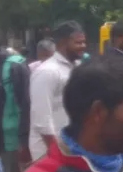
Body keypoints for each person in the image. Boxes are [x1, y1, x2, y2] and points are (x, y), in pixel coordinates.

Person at [29, 21, 87, 162]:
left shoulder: (77, 68)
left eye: (84, 42)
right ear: (62, 43)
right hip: (49, 150)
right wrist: (57, 153)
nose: (83, 46)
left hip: (71, 147)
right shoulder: (47, 71)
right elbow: (42, 119)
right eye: (78, 43)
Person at [0, 42, 30, 172]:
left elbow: (25, 103)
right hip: (7, 135)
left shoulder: (14, 66)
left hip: (11, 136)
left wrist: (24, 139)